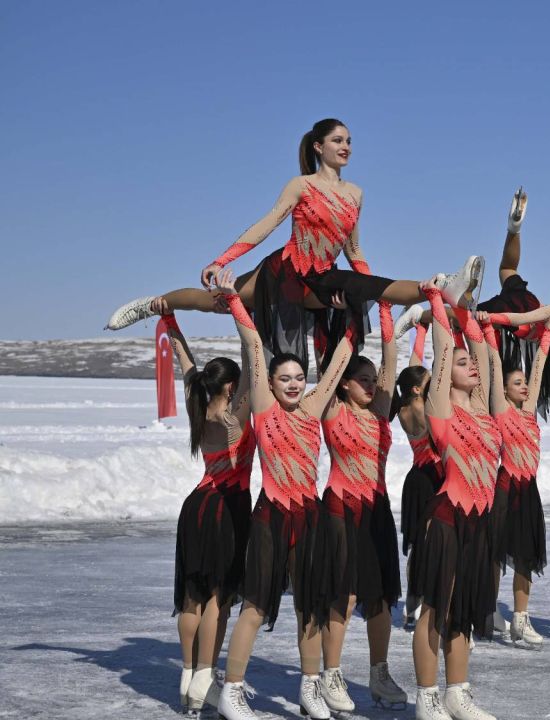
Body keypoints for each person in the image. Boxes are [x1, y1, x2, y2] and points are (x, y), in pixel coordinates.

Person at [105, 118, 478, 373]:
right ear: (318, 147)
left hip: (321, 277)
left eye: (349, 141)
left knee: (357, 284)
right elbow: (268, 223)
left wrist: (370, 293)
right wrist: (221, 259)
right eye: (337, 140)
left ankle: (440, 287)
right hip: (284, 273)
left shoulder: (356, 194)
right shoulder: (301, 185)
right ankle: (156, 303)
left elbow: (355, 251)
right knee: (215, 302)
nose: (345, 146)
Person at [208, 269, 358, 720]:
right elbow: (255, 346)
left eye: (297, 377)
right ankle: (232, 690)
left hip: (308, 517)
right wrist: (235, 301)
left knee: (310, 609)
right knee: (255, 606)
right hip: (271, 517)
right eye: (284, 378)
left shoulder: (312, 409)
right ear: (270, 384)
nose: (293, 384)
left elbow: (337, 364)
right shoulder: (264, 409)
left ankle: (310, 689)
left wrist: (355, 310)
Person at [408, 281, 503, 720]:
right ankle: (427, 695)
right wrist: (437, 304)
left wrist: (467, 310)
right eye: (464, 364)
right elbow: (446, 353)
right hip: (447, 518)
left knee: (462, 612)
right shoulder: (441, 410)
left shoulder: (484, 410)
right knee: (437, 607)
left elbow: (481, 347)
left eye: (473, 363)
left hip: (480, 523)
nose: (473, 366)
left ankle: (456, 693)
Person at [312, 300, 406, 710]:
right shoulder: (332, 409)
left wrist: (384, 310)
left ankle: (379, 674)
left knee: (381, 596)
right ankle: (331, 675)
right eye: (363, 380)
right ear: (345, 384)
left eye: (373, 380)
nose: (371, 385)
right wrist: (346, 321)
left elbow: (391, 358)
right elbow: (327, 363)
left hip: (377, 508)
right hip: (340, 508)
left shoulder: (381, 414)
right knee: (344, 596)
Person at [160, 309, 254, 712]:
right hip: (228, 509)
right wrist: (241, 311)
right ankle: (204, 675)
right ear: (232, 386)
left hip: (196, 506)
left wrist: (172, 324)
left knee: (192, 596)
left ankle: (186, 671)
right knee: (220, 597)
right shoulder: (237, 415)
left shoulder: (197, 405)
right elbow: (253, 357)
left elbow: (186, 363)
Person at [488, 323, 550, 647]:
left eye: (524, 381)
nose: (525, 385)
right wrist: (488, 333)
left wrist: (546, 339)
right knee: (497, 554)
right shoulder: (501, 411)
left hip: (529, 489)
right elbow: (496, 365)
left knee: (526, 556)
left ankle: (521, 619)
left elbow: (539, 371)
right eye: (518, 382)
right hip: (506, 485)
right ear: (505, 389)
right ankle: (487, 610)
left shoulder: (529, 414)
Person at [395, 322, 444, 632]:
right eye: (428, 383)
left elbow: (415, 370)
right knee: (433, 543)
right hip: (432, 479)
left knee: (417, 545)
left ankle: (412, 605)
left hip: (415, 478)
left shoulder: (404, 408)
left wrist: (421, 333)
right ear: (418, 388)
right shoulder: (428, 410)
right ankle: (430, 602)